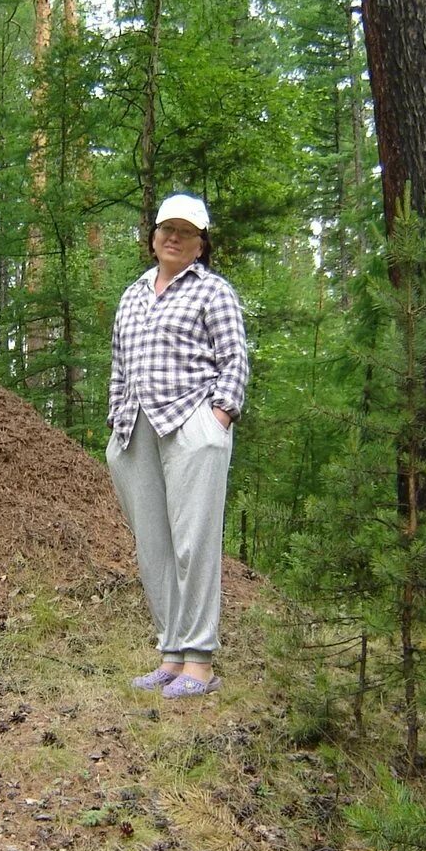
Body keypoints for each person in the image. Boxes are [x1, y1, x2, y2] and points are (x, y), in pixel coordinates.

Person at [106, 193, 249, 699]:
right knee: (154, 545)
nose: (173, 237)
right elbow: (120, 367)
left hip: (191, 421)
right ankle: (170, 653)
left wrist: (219, 416)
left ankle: (200, 661)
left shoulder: (214, 292)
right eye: (166, 227)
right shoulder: (133, 294)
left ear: (200, 243)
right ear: (153, 237)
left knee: (194, 542)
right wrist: (115, 418)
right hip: (135, 427)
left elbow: (234, 358)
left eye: (185, 231)